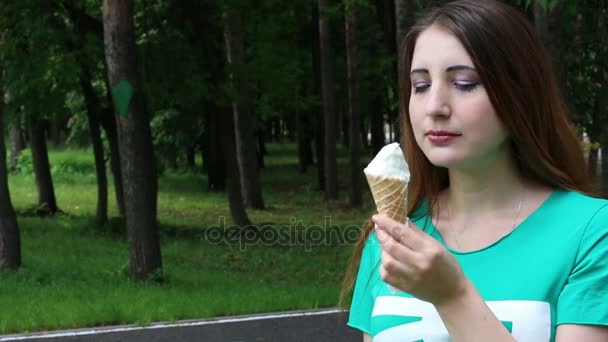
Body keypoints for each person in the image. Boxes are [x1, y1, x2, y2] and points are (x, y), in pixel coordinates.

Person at [339, 0, 608, 341]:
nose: (434, 106)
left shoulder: (593, 232)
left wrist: (452, 297)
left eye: (464, 83)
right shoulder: (393, 237)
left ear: (520, 94)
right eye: (420, 86)